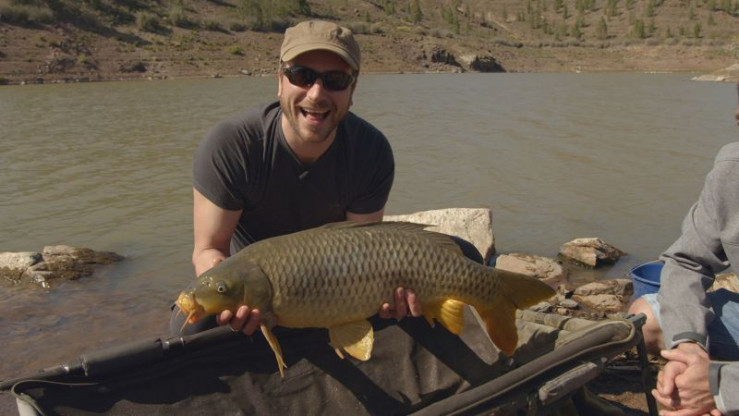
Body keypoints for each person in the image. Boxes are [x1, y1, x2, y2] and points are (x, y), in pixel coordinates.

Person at [170, 20, 434, 337]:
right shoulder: (232, 145)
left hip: (337, 284)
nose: (317, 93)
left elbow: (366, 251)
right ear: (280, 81)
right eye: (301, 76)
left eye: (335, 80)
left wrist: (389, 296)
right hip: (256, 289)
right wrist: (228, 292)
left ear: (352, 89)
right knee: (190, 326)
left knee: (460, 260)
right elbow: (209, 249)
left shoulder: (371, 150)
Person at [628, 82, 739, 416]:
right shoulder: (732, 170)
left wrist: (722, 388)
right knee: (649, 318)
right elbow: (687, 261)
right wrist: (689, 347)